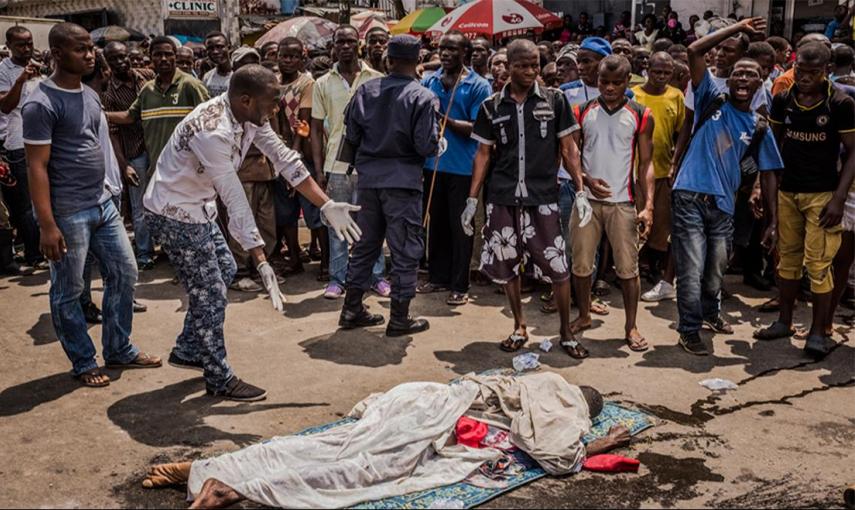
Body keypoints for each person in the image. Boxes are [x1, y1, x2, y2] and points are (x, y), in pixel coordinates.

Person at [143, 64, 362, 401]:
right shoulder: (212, 130)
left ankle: (188, 348)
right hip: (174, 213)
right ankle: (218, 377)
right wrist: (261, 260)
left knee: (226, 271)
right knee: (210, 293)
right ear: (246, 99)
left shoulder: (248, 117)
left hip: (198, 207)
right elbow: (234, 199)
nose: (276, 109)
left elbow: (285, 159)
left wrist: (327, 204)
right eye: (272, 103)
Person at [140, 373, 631, 509]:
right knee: (365, 469)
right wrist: (600, 442)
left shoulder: (526, 378)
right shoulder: (567, 406)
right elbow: (554, 455)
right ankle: (236, 488)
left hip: (422, 396)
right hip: (443, 420)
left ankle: (208, 468)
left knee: (334, 443)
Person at [23, 22, 162, 388]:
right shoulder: (41, 102)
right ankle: (84, 360)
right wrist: (47, 224)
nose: (89, 55)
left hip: (103, 205)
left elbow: (97, 143)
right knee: (68, 290)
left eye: (89, 48)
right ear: (56, 53)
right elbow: (35, 167)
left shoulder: (88, 94)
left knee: (125, 273)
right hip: (68, 212)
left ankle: (119, 348)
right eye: (79, 49)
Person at [464, 39, 593, 358]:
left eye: (535, 65)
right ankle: (519, 326)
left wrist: (580, 190)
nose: (531, 71)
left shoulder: (556, 100)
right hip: (503, 197)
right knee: (508, 267)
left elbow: (569, 150)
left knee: (558, 267)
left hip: (543, 198)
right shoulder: (491, 107)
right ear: (508, 67)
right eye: (523, 65)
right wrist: (471, 200)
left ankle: (565, 331)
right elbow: (482, 154)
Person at [670, 17, 783, 356]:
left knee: (716, 268)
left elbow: (770, 173)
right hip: (689, 196)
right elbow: (694, 49)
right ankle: (689, 330)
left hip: (723, 206)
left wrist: (774, 221)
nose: (744, 77)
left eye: (751, 74)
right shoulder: (710, 98)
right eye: (738, 73)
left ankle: (710, 313)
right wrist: (738, 28)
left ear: (762, 81)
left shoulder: (760, 126)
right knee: (690, 269)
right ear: (728, 79)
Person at [754, 42, 855, 359]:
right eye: (801, 71)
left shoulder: (840, 103)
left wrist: (839, 198)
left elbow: (853, 152)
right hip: (788, 192)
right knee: (788, 260)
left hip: (822, 194)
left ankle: (817, 332)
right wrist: (762, 190)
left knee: (819, 264)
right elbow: (771, 149)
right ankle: (784, 321)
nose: (805, 78)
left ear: (826, 70)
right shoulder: (783, 99)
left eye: (813, 72)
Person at [338, 34, 438, 336]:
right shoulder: (422, 96)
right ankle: (399, 318)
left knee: (365, 246)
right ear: (418, 62)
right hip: (404, 183)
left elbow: (350, 137)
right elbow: (425, 146)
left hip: (368, 182)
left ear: (388, 60)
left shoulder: (366, 90)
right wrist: (437, 143)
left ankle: (352, 308)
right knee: (406, 250)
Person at [569, 55, 655, 353]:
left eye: (616, 83)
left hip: (623, 203)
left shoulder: (641, 114)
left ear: (628, 82)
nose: (609, 88)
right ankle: (583, 314)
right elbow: (571, 156)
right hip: (587, 203)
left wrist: (649, 206)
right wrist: (586, 179)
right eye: (603, 81)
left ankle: (630, 326)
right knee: (581, 264)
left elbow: (646, 165)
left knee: (628, 269)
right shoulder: (581, 112)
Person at [310, 25, 387, 300]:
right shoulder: (322, 83)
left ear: (359, 45)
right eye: (340, 42)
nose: (345, 46)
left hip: (370, 164)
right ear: (333, 46)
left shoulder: (376, 79)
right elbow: (316, 129)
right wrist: (319, 171)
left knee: (371, 223)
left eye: (350, 42)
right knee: (337, 224)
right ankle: (337, 278)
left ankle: (376, 276)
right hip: (336, 166)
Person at [418, 31, 491, 306]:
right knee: (435, 224)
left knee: (460, 227)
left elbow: (478, 128)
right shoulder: (430, 81)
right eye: (442, 49)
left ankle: (460, 284)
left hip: (463, 167)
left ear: (466, 54)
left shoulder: (479, 85)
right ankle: (438, 277)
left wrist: (442, 119)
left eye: (452, 49)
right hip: (433, 164)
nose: (446, 54)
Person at [106, 37, 209, 202]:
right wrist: (98, 114)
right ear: (151, 57)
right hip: (159, 172)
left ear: (175, 56)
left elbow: (210, 125)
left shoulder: (191, 86)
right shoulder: (148, 90)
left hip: (189, 171)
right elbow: (128, 116)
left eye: (168, 54)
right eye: (158, 54)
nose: (163, 59)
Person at [275, 37, 328, 279]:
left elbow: (304, 123)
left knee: (313, 209)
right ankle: (295, 257)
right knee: (286, 211)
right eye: (284, 56)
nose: (288, 60)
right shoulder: (273, 85)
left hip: (301, 154)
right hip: (278, 153)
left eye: (293, 56)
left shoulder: (307, 84)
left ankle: (326, 262)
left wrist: (293, 154)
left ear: (301, 58)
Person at [634, 52, 684, 303]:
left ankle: (651, 265)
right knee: (632, 223)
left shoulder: (676, 96)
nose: (661, 77)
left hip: (663, 171)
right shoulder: (633, 94)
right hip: (633, 170)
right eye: (657, 71)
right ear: (647, 69)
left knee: (661, 224)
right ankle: (630, 269)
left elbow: (681, 132)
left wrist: (676, 163)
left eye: (666, 73)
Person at [102, 41, 156, 271]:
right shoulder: (109, 92)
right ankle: (144, 253)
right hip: (135, 152)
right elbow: (113, 133)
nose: (121, 62)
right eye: (114, 59)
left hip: (158, 147)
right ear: (107, 62)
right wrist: (124, 166)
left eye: (123, 57)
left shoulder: (147, 76)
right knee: (140, 205)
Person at [0, 26, 43, 270]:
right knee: (25, 206)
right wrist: (21, 79)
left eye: (29, 43)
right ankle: (33, 255)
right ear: (9, 46)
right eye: (21, 45)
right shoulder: (3, 71)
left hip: (45, 142)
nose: (27, 49)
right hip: (18, 144)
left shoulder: (38, 66)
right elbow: (6, 106)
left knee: (46, 199)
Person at [202, 31, 232, 97]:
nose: (215, 51)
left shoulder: (238, 74)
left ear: (229, 48)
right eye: (210, 48)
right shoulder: (207, 77)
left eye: (219, 47)